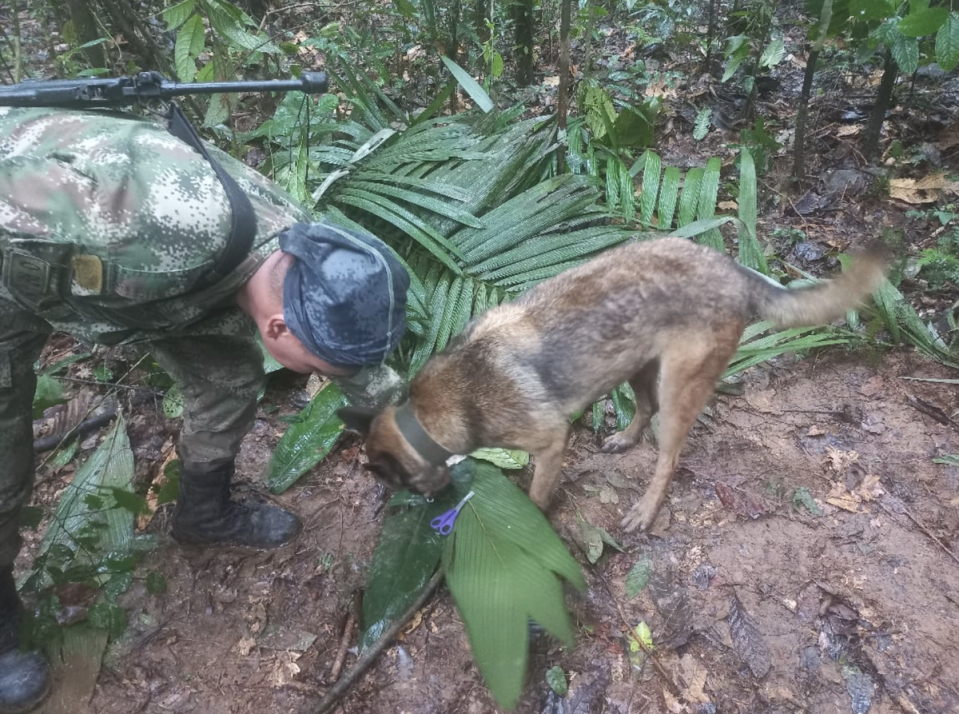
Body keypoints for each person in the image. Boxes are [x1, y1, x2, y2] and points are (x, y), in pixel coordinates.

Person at [0, 105, 410, 713]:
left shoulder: (304, 255)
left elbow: (359, 364)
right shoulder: (148, 230)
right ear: (278, 326)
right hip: (17, 268)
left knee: (227, 379)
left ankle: (203, 512)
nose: (322, 379)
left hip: (159, 291)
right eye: (318, 369)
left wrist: (421, 446)